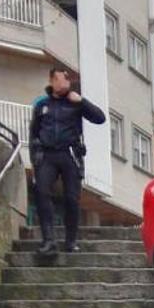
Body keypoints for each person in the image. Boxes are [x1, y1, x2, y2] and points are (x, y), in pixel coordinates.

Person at [29, 68, 106, 255]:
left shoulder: (75, 103)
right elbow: (33, 132)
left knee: (72, 198)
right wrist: (35, 158)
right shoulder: (42, 105)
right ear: (52, 81)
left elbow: (100, 118)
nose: (64, 83)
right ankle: (48, 241)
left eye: (67, 80)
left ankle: (71, 241)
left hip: (70, 153)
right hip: (47, 155)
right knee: (41, 192)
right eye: (61, 79)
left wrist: (82, 101)